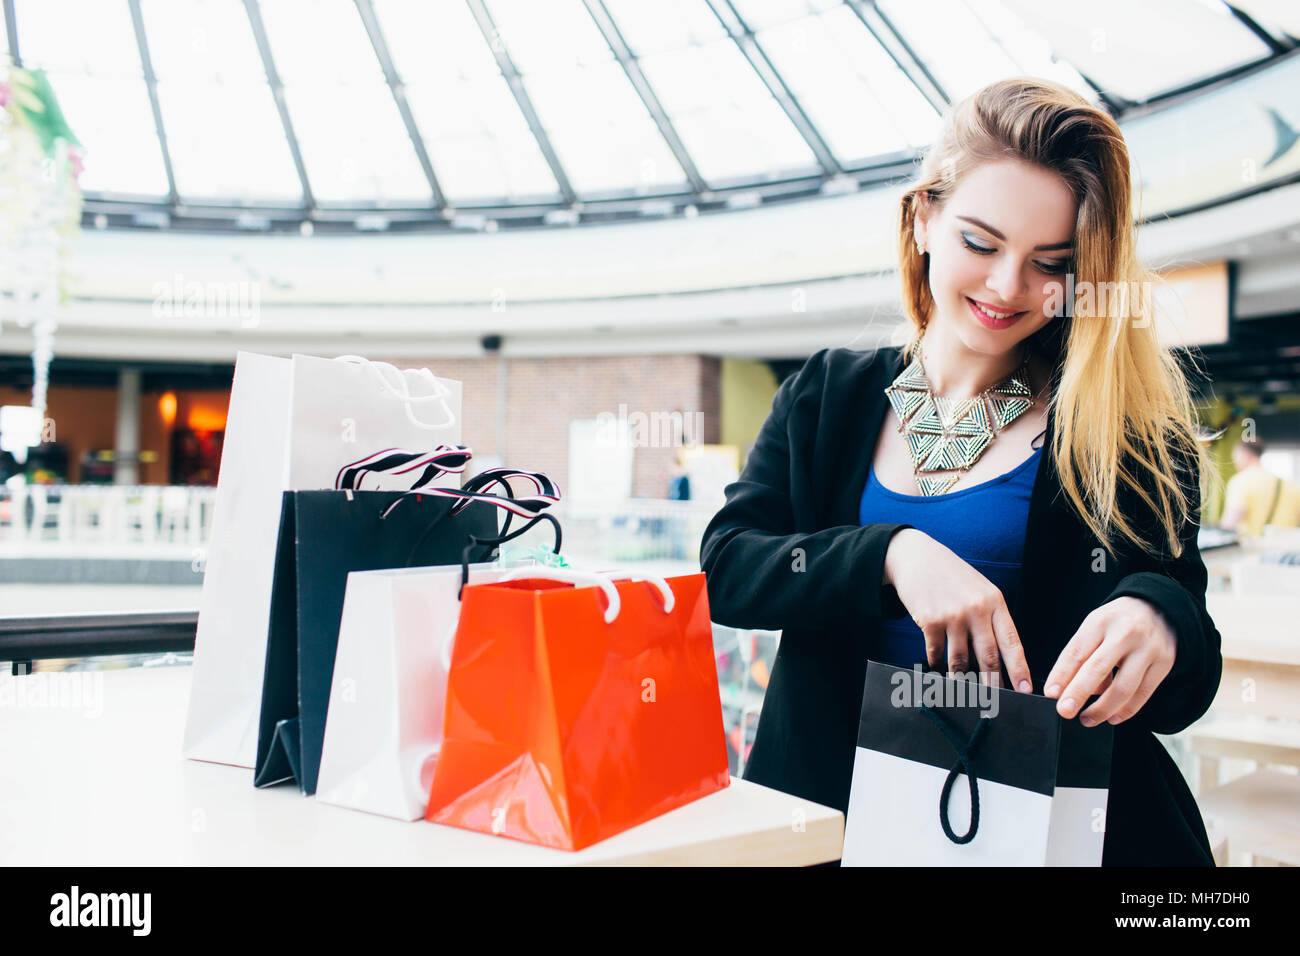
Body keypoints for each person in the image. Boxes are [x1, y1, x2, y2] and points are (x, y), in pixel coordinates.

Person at [700, 78, 1222, 867]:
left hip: (1050, 834)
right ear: (923, 220)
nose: (1008, 288)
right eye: (981, 243)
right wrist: (889, 554)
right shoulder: (829, 397)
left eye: (1050, 263)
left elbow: (1188, 672)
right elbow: (728, 567)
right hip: (837, 829)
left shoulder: (1121, 429)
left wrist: (1159, 617)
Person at [1220, 439, 1300, 537]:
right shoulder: (1288, 484)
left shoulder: (1241, 481)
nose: (1234, 461)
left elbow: (1231, 521)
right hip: (1287, 548)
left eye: (1235, 456)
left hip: (1253, 549)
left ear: (1245, 455)